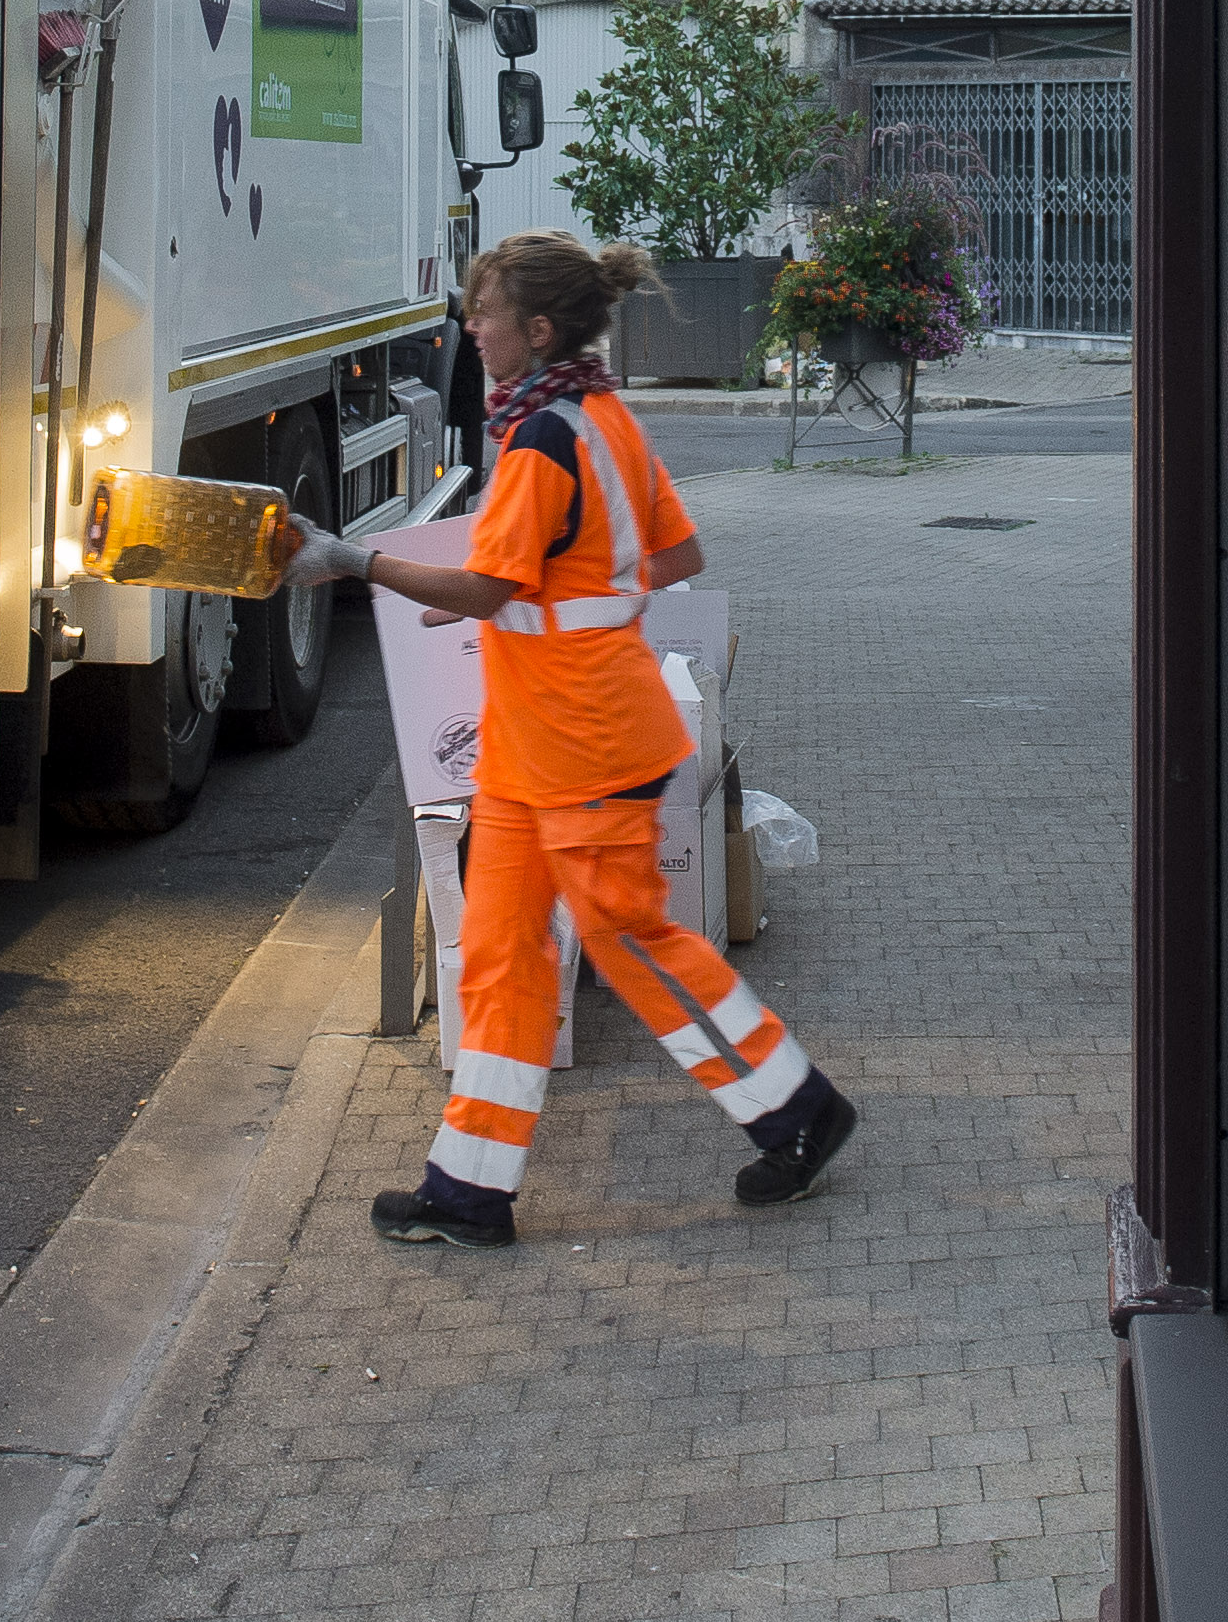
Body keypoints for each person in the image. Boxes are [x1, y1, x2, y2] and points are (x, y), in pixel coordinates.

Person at [281, 230, 860, 1248]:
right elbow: (670, 552)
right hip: (544, 743)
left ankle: (795, 1107)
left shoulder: (542, 438)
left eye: (485, 310)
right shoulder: (600, 417)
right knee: (500, 954)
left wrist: (352, 559)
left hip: (582, 742)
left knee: (630, 940)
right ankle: (469, 1188)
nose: (471, 325)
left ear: (537, 330)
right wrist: (541, 598)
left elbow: (490, 583)